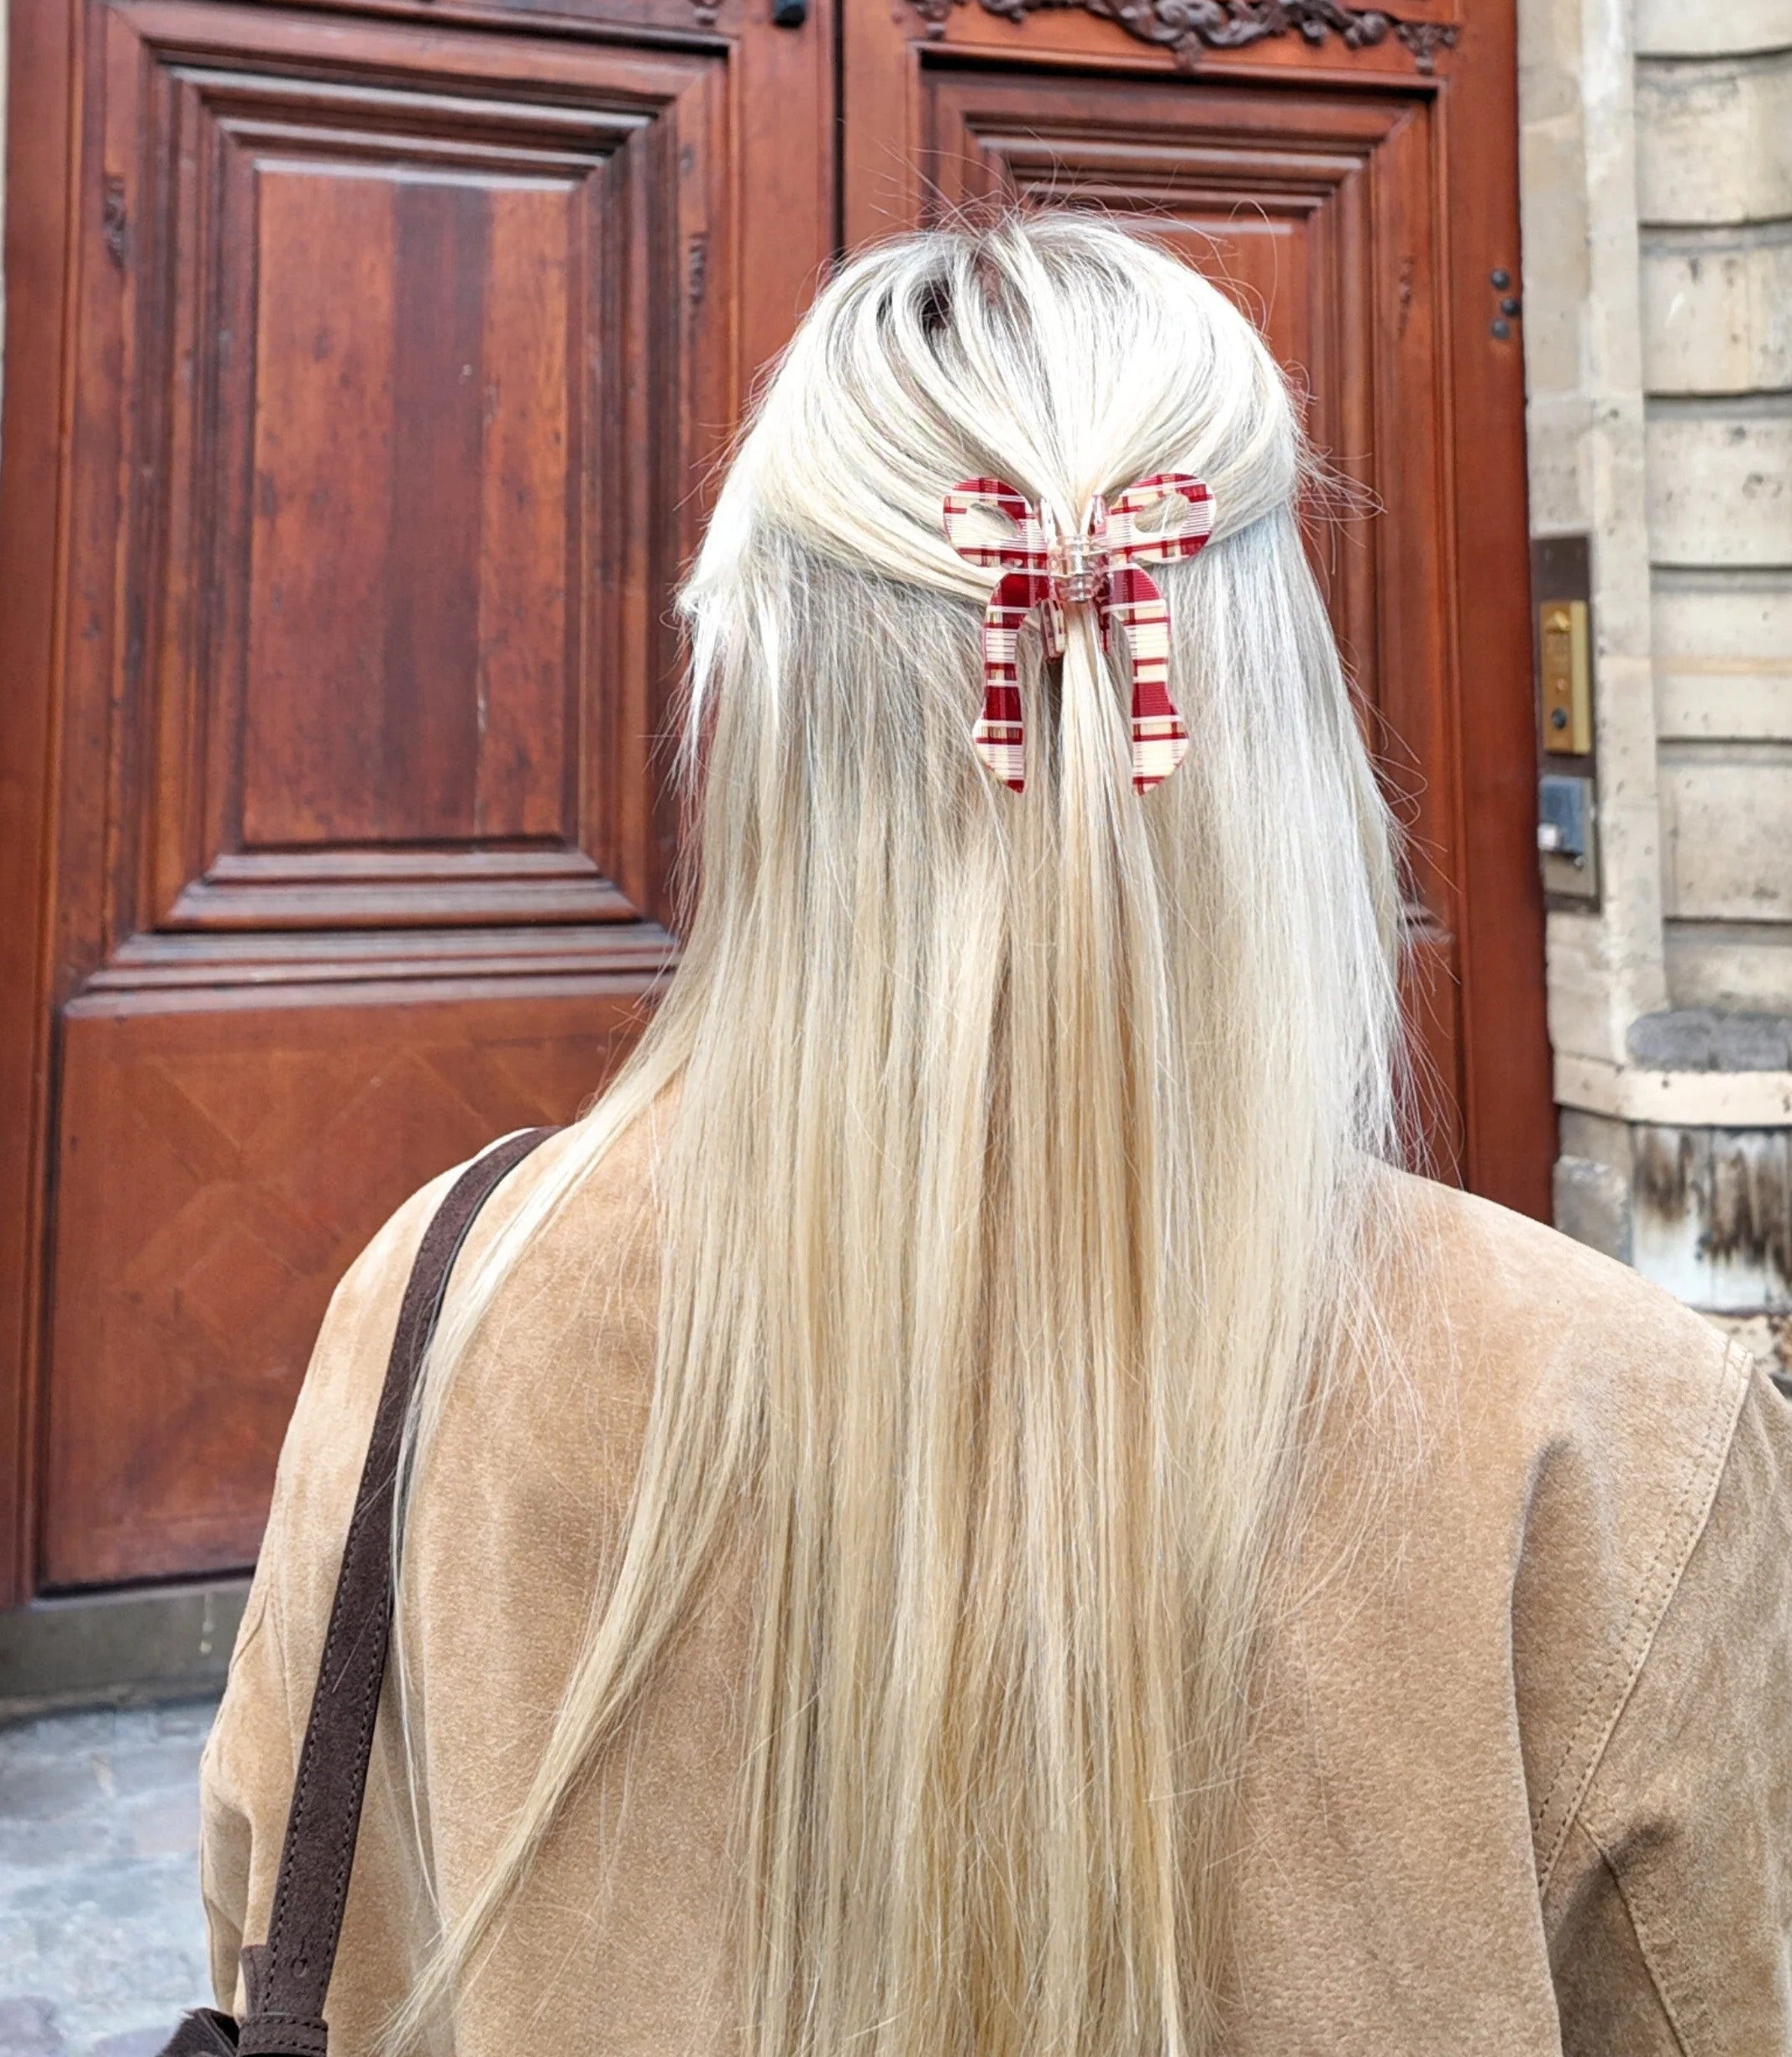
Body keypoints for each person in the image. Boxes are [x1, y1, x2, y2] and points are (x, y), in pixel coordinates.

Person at [201, 217, 1792, 2057]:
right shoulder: (1615, 1417)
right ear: (1283, 712)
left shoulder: (444, 1300)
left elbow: (285, 1934)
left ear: (758, 715)